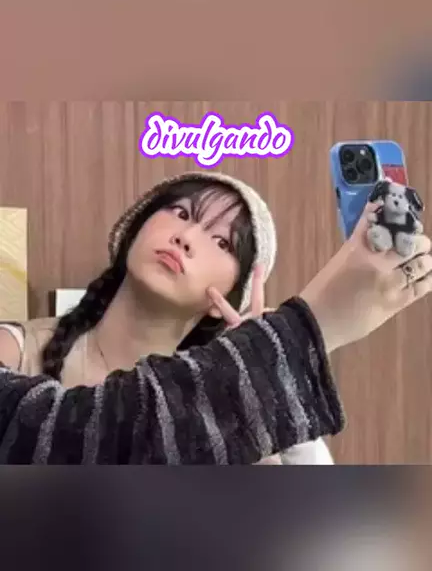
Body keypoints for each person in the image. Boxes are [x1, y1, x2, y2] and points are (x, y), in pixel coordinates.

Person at [0, 172, 431, 464]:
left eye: (223, 242)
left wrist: (256, 378)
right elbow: (83, 434)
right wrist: (297, 337)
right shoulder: (15, 350)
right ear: (134, 229)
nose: (186, 237)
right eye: (182, 213)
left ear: (229, 297)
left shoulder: (234, 421)